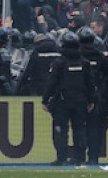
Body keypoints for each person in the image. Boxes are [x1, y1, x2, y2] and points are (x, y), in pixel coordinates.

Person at [43, 31, 94, 165]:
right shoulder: (84, 63)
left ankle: (62, 158)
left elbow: (51, 82)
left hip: (62, 101)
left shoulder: (59, 63)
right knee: (79, 130)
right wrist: (91, 100)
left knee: (61, 131)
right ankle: (80, 158)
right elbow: (90, 83)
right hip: (80, 101)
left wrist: (45, 99)